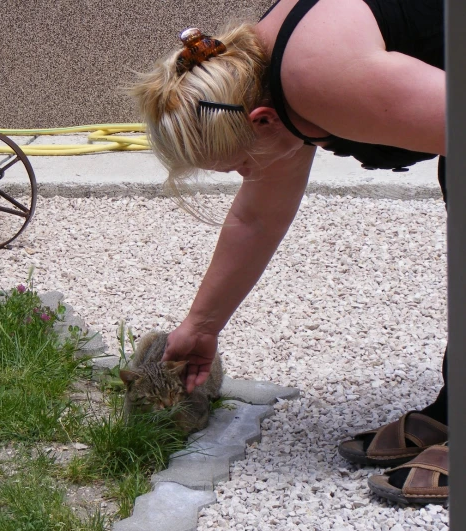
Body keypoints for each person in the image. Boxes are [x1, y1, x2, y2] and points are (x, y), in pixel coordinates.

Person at [131, 0, 448, 505]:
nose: (244, 177)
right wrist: (202, 325)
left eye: (238, 167)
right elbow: (256, 218)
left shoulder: (318, 79)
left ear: (261, 122)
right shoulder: (258, 79)